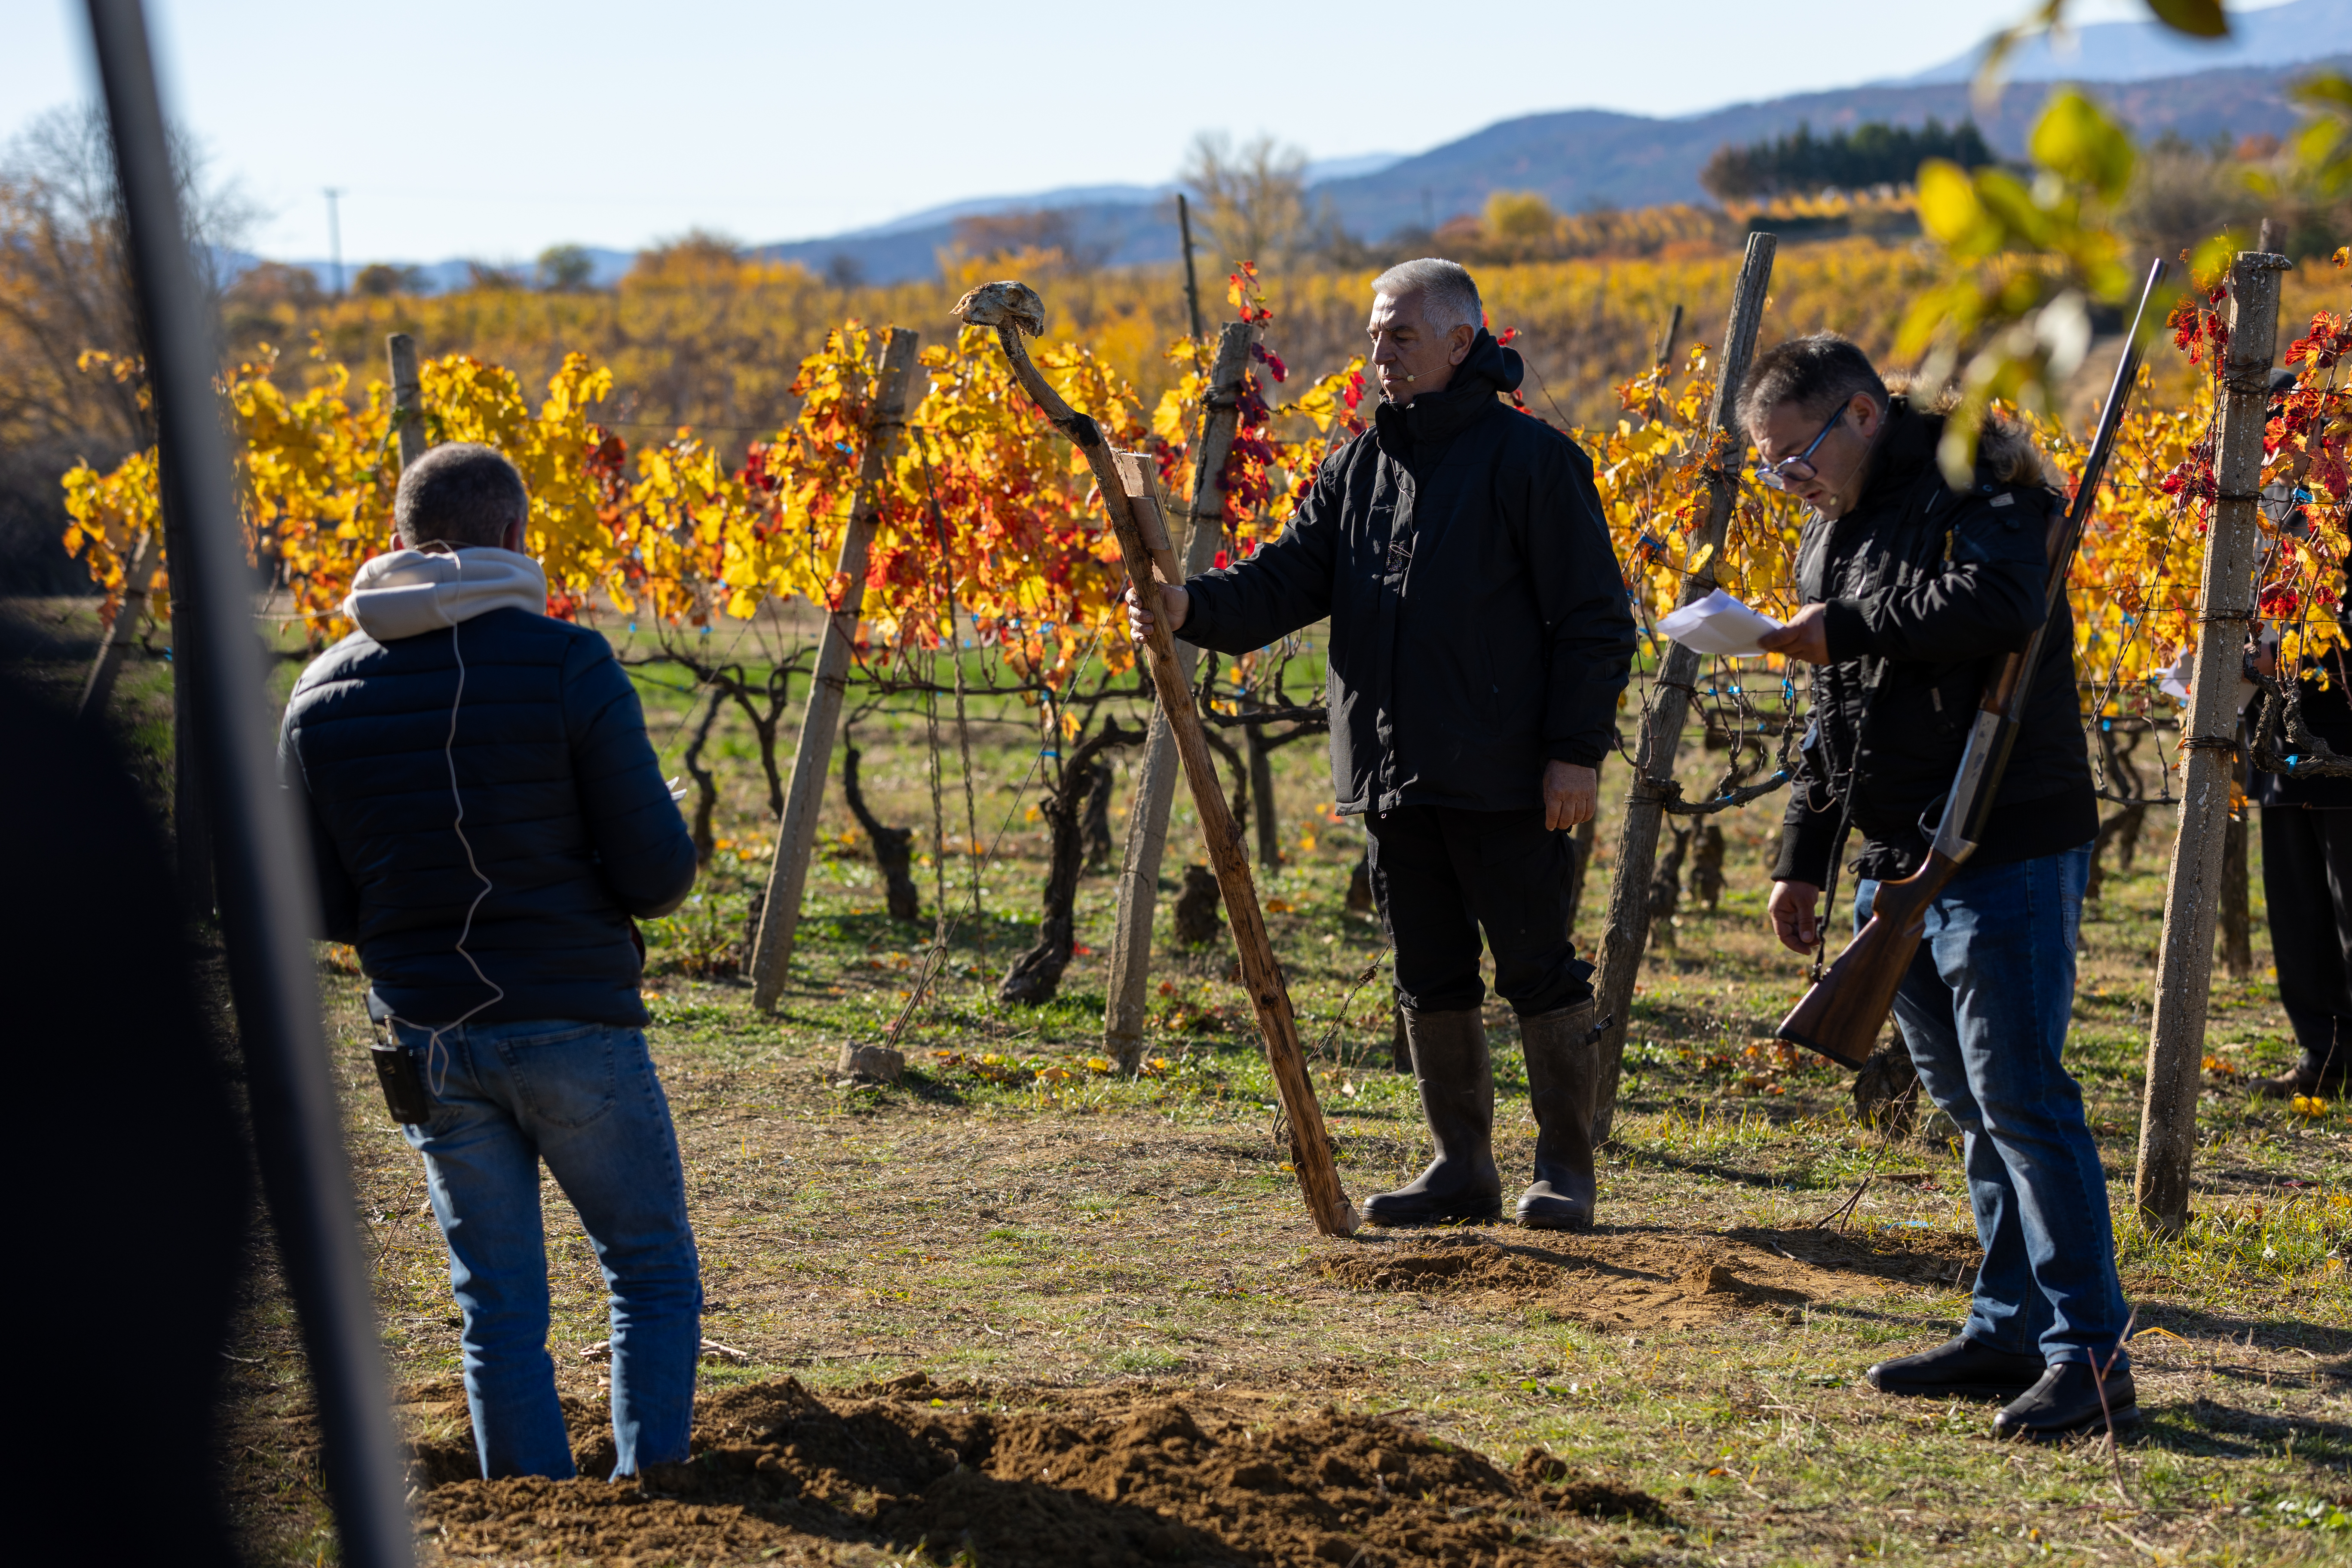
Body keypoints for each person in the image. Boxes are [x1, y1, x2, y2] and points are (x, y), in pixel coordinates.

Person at [1127, 258, 1635, 1231]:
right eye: (1372, 335)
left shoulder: (1534, 464)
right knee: (1429, 972)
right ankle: (1462, 1169)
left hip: (1505, 775)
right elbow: (1284, 582)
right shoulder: (1357, 467)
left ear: (1459, 342)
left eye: (1399, 336)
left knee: (1537, 969)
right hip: (1392, 774)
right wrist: (1190, 608)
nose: (1378, 354)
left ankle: (1565, 1171)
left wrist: (1575, 752)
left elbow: (1595, 623)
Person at [279, 443, 702, 1479]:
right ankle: (653, 1498)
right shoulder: (570, 666)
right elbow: (655, 873)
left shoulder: (317, 694)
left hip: (424, 1036)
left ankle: (528, 1512)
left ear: (395, 540)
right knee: (648, 1273)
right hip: (573, 1025)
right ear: (517, 537)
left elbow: (320, 903)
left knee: (496, 1306)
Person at [1746, 334, 2132, 1440]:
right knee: (1971, 1107)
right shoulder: (1837, 531)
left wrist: (1850, 627)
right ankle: (2008, 1327)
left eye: (1797, 451)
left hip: (1997, 841)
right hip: (1896, 858)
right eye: (1772, 464)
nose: (1790, 478)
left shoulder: (1986, 480)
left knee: (2023, 1098)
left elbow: (2003, 603)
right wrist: (1802, 856)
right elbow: (1838, 713)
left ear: (1864, 413)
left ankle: (2089, 1355)